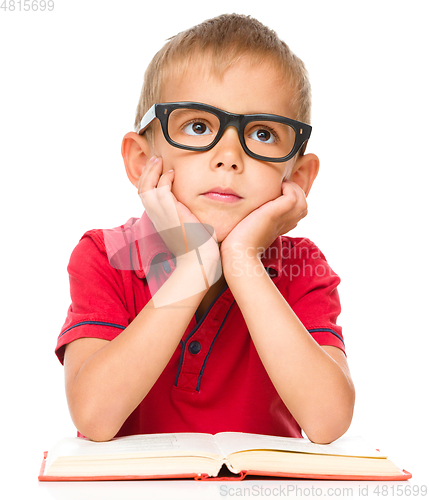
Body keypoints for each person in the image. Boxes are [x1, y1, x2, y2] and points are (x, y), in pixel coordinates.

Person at [56, 13, 355, 443]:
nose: (229, 156)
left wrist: (240, 259)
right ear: (143, 161)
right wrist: (194, 266)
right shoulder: (106, 255)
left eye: (264, 134)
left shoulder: (301, 265)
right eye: (198, 127)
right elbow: (94, 417)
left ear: (299, 177)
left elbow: (327, 423)